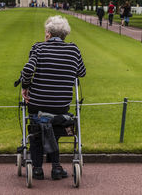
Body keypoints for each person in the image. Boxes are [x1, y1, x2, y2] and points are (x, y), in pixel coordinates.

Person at [21, 15, 86, 180]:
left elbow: (28, 69)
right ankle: (56, 167)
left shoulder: (39, 47)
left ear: (49, 33)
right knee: (54, 124)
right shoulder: (73, 50)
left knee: (37, 127)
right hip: (60, 105)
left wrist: (25, 87)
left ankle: (37, 168)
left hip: (38, 102)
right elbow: (82, 73)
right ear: (64, 35)